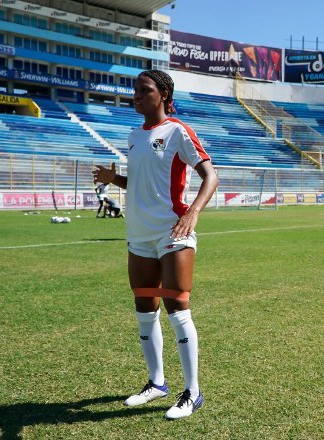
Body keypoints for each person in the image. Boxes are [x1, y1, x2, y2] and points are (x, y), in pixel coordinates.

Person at [92, 69, 219, 420]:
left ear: (163, 94)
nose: (137, 95)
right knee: (145, 309)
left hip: (172, 233)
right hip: (139, 237)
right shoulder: (134, 135)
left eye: (144, 90)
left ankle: (192, 392)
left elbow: (211, 175)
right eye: (135, 90)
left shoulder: (177, 131)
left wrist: (192, 213)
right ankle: (156, 383)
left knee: (177, 306)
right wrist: (112, 178)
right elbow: (141, 183)